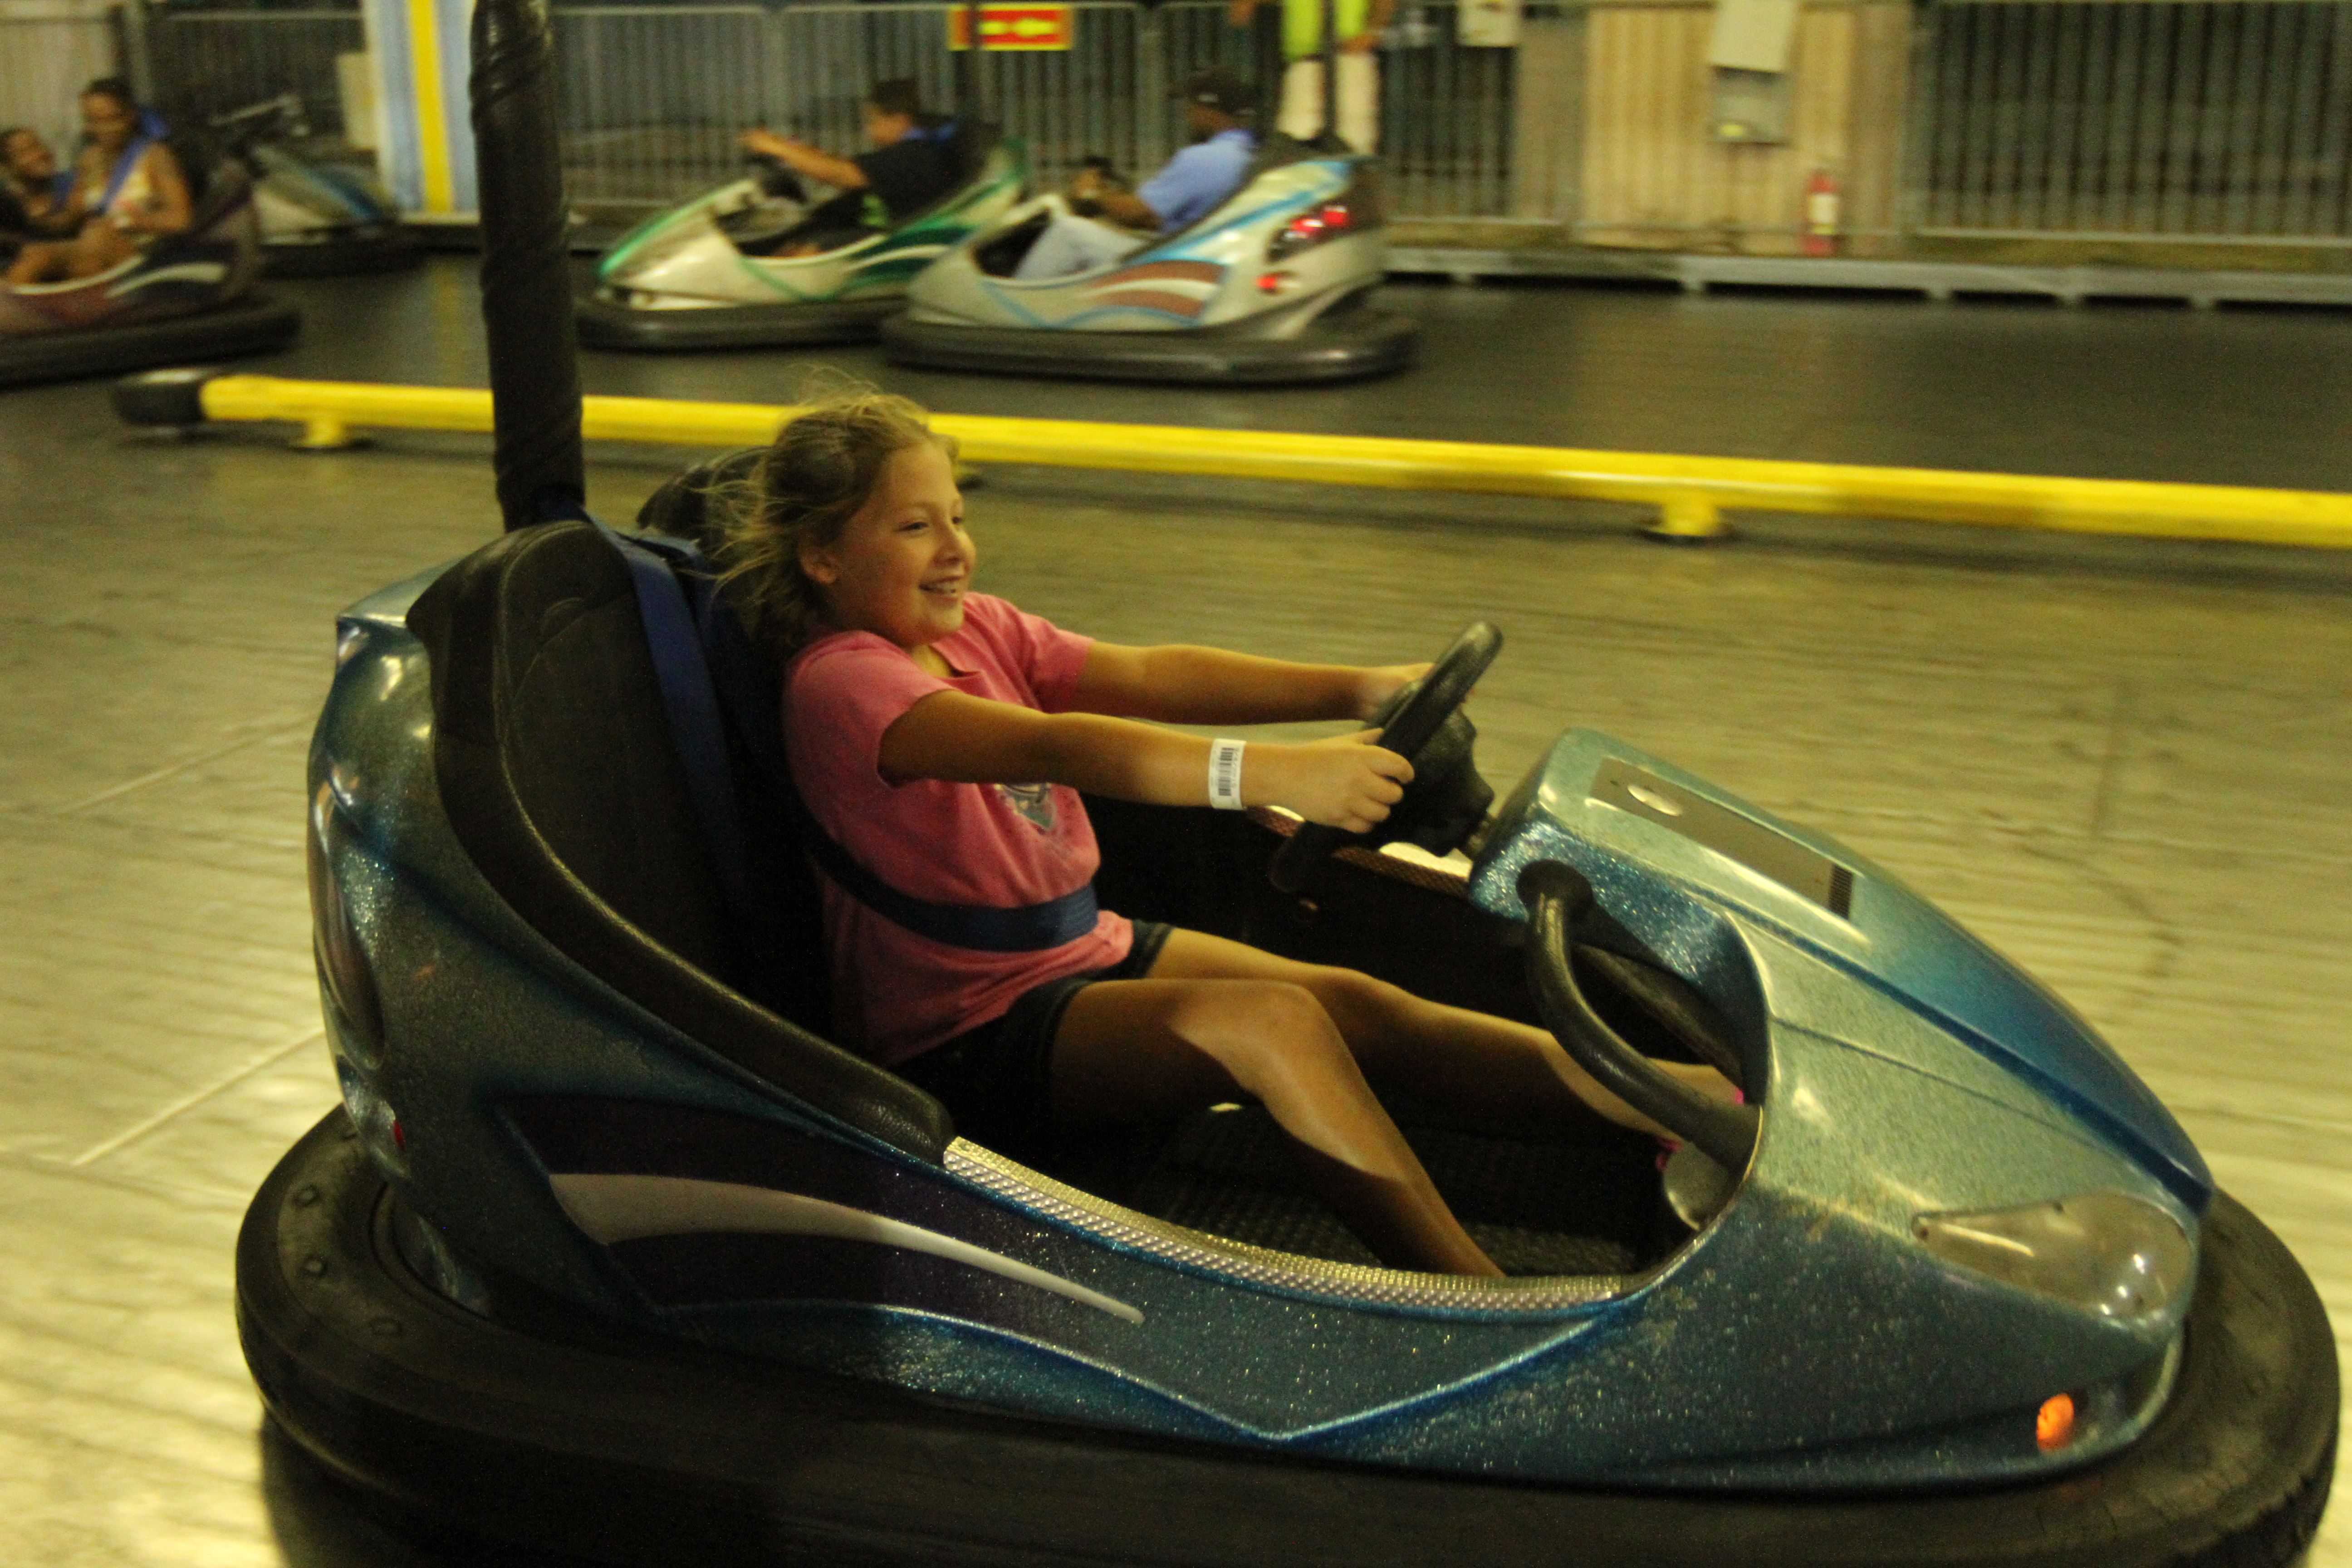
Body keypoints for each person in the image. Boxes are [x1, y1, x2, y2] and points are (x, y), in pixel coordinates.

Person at [713, 389, 1735, 1278]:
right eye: (911, 530)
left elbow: (1153, 674)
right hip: (961, 1033)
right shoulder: (843, 681)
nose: (954, 551)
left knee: (1350, 1002)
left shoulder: (975, 628)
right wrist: (1279, 773)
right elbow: (1070, 748)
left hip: (1073, 951)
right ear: (823, 557)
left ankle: (1668, 1096)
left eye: (958, 516)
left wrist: (1359, 686)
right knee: (1271, 1027)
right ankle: (1479, 1298)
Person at [1011, 68, 1259, 281]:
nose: (1186, 112)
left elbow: (1134, 212)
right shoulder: (1247, 154)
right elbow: (1159, 217)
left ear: (1209, 110)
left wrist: (1093, 192)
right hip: (1201, 256)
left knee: (1070, 232)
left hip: (1174, 263)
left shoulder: (1206, 159)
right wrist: (1114, 199)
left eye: (1191, 105)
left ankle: (1014, 316)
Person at [736, 79, 960, 257]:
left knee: (804, 251)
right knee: (798, 234)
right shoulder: (907, 152)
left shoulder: (913, 155)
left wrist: (777, 148)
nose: (869, 130)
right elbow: (846, 166)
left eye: (874, 121)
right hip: (872, 230)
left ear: (899, 121)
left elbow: (842, 174)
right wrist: (797, 153)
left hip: (892, 243)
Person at [5, 79, 192, 287]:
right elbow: (71, 218)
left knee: (98, 237)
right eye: (94, 121)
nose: (104, 129)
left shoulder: (155, 156)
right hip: (91, 247)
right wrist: (36, 215)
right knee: (35, 255)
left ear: (131, 116)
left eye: (112, 120)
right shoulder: (90, 159)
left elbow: (180, 220)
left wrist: (125, 221)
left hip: (142, 256)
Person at [1229, 0, 1391, 154]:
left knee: (1350, 146)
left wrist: (1373, 33)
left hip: (1348, 61)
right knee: (1292, 148)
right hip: (1305, 65)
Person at [0, 127, 77, 256]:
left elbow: (68, 223)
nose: (38, 155)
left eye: (38, 146)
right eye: (24, 153)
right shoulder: (8, 200)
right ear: (9, 167)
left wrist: (31, 217)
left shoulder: (70, 182)